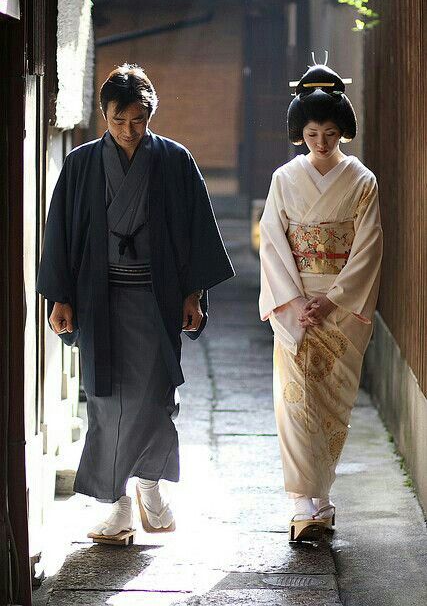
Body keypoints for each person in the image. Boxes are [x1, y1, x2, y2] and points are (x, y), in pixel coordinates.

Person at [36, 63, 234, 543]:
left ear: (150, 114)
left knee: (154, 397)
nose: (128, 130)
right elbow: (60, 233)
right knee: (104, 401)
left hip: (155, 298)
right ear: (103, 115)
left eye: (138, 119)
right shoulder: (82, 164)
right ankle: (118, 506)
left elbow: (193, 234)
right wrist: (61, 297)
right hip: (99, 300)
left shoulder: (174, 161)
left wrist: (193, 294)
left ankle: (149, 486)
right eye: (118, 119)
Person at [259, 64, 383, 541]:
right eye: (312, 133)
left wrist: (330, 302)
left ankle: (322, 498)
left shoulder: (361, 181)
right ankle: (300, 502)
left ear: (343, 132)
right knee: (295, 400)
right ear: (300, 132)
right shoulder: (284, 179)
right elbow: (273, 242)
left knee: (332, 402)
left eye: (331, 133)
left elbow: (368, 246)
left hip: (339, 304)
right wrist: (294, 302)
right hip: (295, 303)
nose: (321, 143)